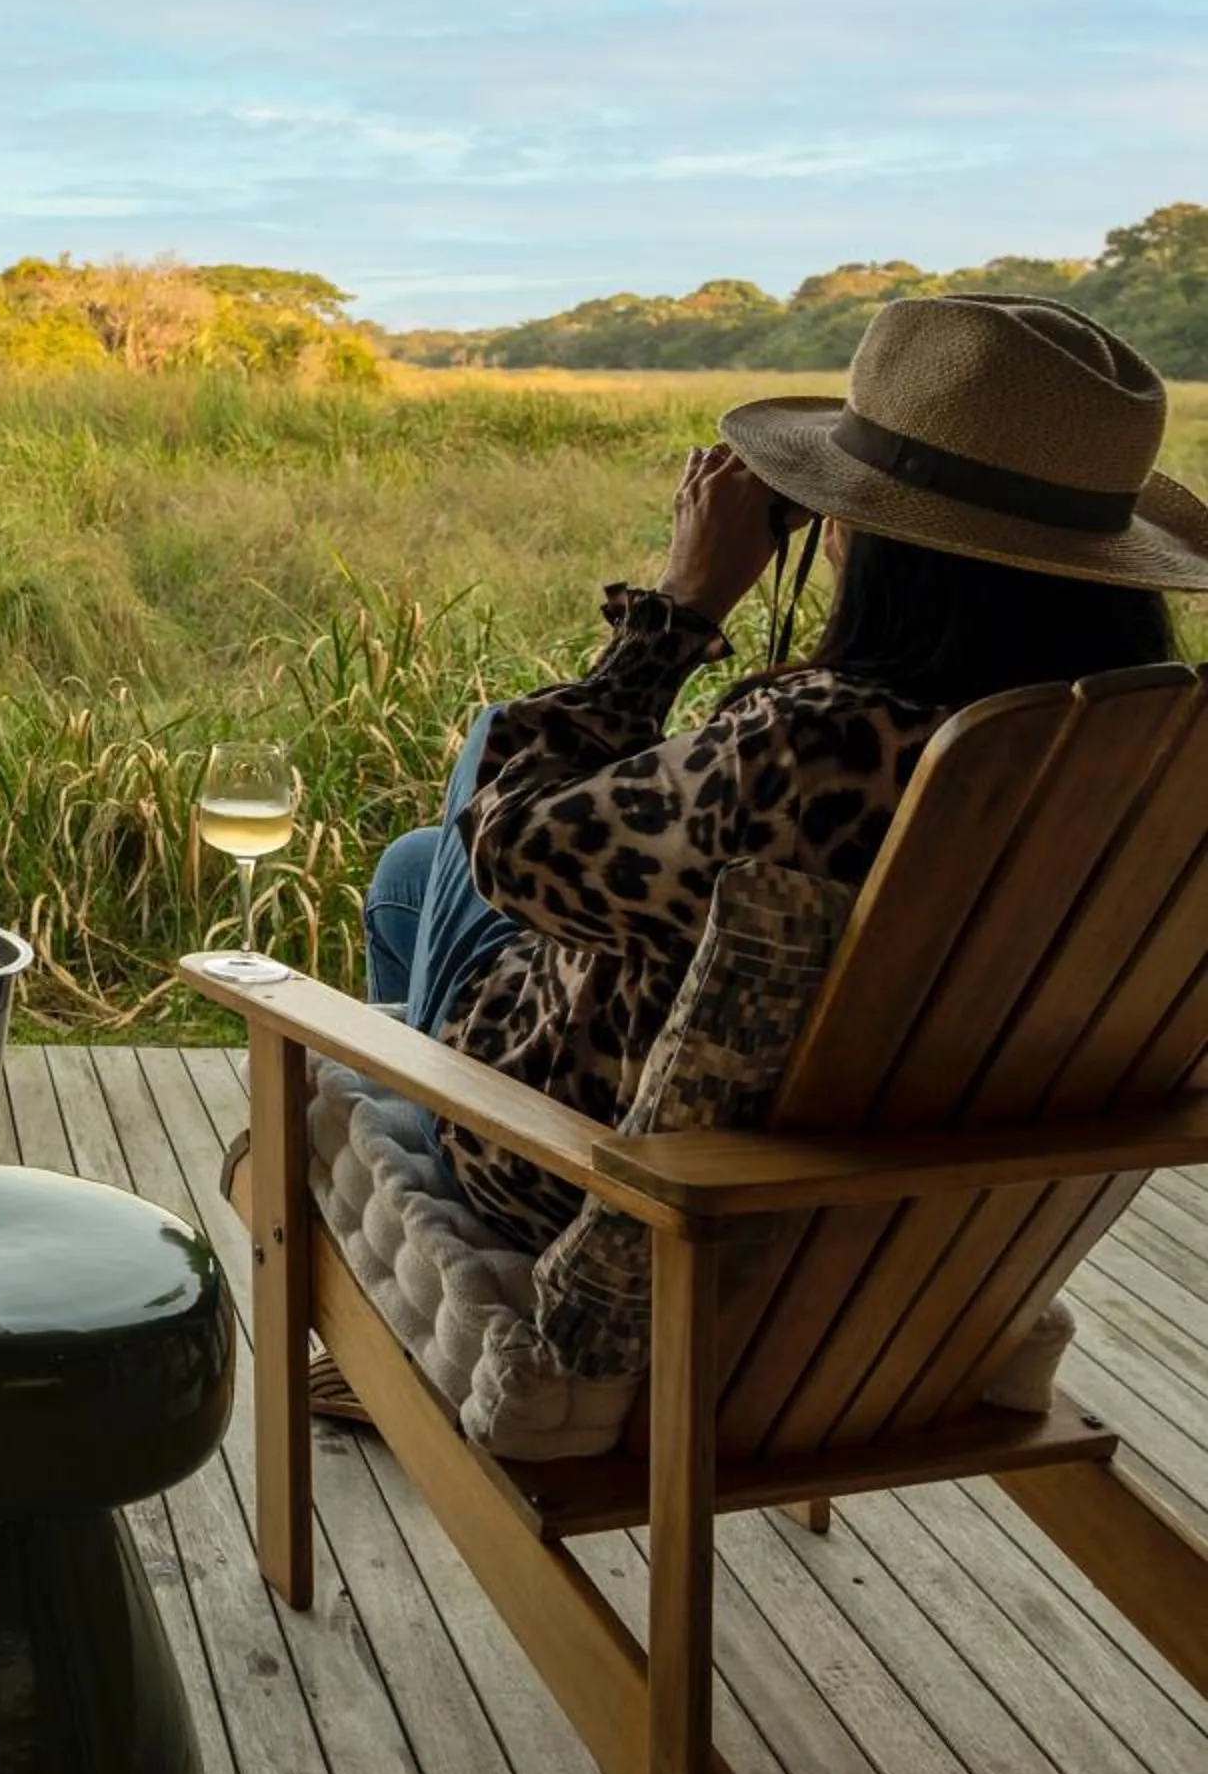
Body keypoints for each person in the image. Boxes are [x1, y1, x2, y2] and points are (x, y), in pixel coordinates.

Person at [368, 292, 1208, 1261]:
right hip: (910, 1250)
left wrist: (679, 611)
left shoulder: (816, 754)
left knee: (465, 789)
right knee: (410, 868)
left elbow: (508, 839)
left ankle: (429, 1234)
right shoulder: (1132, 766)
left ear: (883, 546)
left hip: (596, 1176)